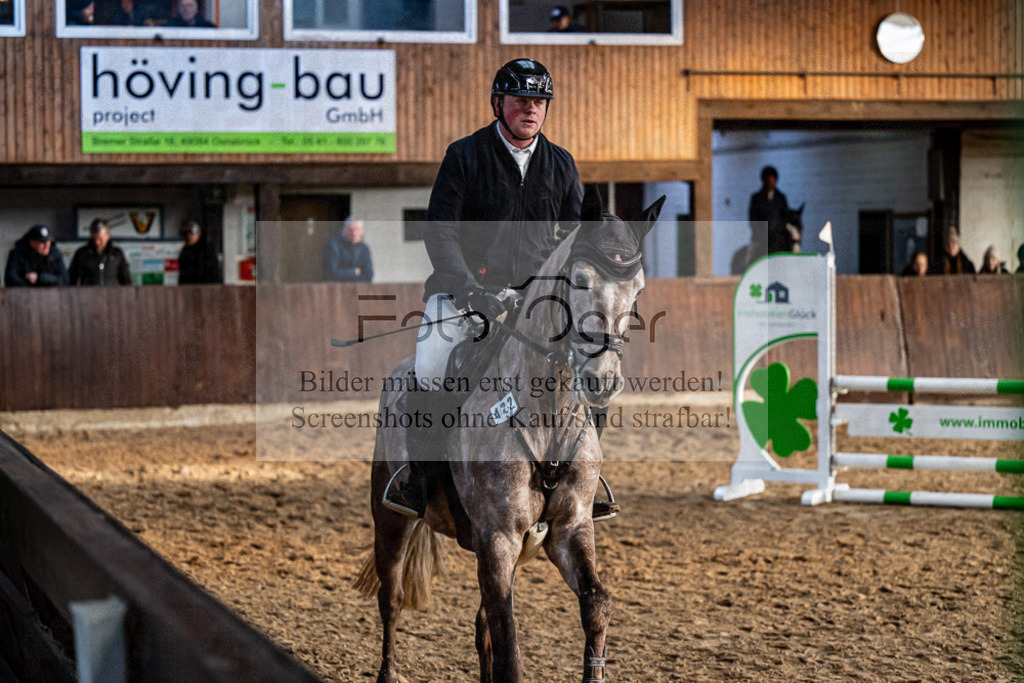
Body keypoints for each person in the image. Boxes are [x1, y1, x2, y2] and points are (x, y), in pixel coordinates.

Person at [387, 58, 583, 517]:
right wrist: (469, 291)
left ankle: (581, 485)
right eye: (520, 101)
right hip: (467, 293)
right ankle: (421, 481)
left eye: (539, 102)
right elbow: (440, 231)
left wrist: (554, 296)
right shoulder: (465, 155)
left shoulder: (561, 164)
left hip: (537, 303)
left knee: (584, 376)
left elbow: (574, 238)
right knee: (433, 368)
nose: (530, 110)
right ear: (499, 104)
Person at [748, 165, 794, 260]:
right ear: (763, 180)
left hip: (778, 238)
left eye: (772, 179)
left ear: (775, 180)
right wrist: (760, 235)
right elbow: (753, 220)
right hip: (760, 238)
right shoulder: (756, 198)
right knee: (751, 258)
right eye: (768, 179)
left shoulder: (781, 198)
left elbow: (785, 217)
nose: (770, 182)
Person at [69, 219, 132, 286]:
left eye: (101, 239)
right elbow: (72, 278)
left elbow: (126, 279)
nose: (97, 242)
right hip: (88, 294)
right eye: (94, 239)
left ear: (108, 236)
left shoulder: (117, 253)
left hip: (112, 294)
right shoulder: (81, 254)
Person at [4, 225, 69, 287]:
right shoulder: (17, 254)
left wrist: (40, 278)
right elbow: (10, 279)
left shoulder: (55, 254)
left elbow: (64, 279)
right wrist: (29, 281)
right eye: (42, 242)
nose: (47, 246)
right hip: (25, 295)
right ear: (32, 242)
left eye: (49, 241)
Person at [323, 217, 373, 282]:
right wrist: (353, 272)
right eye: (350, 230)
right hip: (336, 289)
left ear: (362, 231)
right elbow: (331, 273)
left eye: (357, 230)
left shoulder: (364, 248)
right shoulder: (333, 245)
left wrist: (345, 274)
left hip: (358, 289)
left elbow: (369, 275)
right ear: (344, 230)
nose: (354, 233)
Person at [178, 220, 222, 284]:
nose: (189, 235)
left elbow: (212, 272)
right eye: (185, 233)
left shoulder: (207, 249)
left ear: (199, 233)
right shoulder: (185, 251)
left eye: (192, 231)